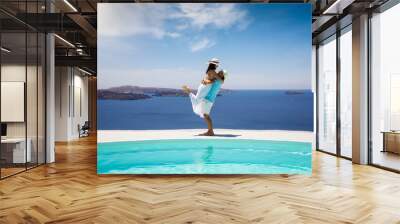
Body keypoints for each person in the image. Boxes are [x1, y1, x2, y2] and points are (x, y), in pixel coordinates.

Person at [183, 58, 225, 136]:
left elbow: (219, 81)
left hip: (204, 87)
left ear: (210, 64)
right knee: (199, 102)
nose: (217, 68)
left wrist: (207, 81)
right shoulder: (212, 71)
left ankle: (189, 92)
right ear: (215, 65)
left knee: (199, 101)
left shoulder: (211, 71)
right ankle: (189, 92)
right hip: (204, 88)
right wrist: (207, 81)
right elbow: (213, 80)